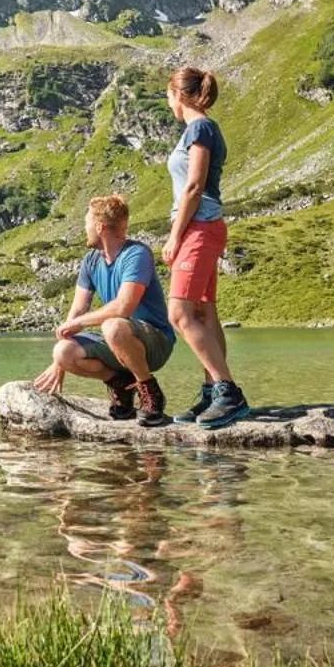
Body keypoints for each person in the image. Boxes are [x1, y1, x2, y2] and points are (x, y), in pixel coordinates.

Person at [32, 194, 174, 426]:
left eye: (87, 223)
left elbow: (124, 306)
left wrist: (80, 324)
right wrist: (59, 362)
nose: (84, 229)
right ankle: (121, 384)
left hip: (155, 342)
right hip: (118, 340)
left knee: (113, 325)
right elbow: (78, 309)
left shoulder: (137, 254)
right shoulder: (91, 261)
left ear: (99, 227)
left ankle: (150, 392)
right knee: (63, 352)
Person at [161, 66, 251, 428]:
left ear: (179, 96)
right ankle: (212, 389)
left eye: (168, 96)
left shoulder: (199, 128)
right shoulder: (202, 129)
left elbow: (194, 186)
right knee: (203, 313)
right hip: (205, 227)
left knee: (179, 313)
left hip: (198, 228)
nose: (168, 104)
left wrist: (174, 236)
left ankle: (228, 392)